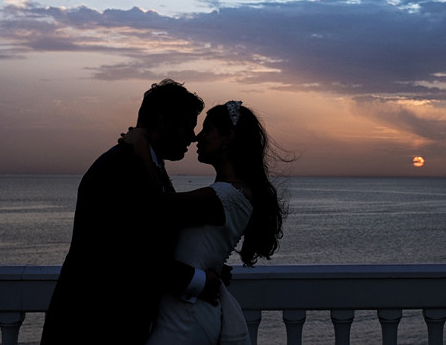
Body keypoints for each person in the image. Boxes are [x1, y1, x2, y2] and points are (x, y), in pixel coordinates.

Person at [41, 79, 227, 345]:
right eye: (188, 125)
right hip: (92, 327)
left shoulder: (146, 167)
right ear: (163, 121)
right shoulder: (121, 168)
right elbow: (130, 255)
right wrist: (199, 281)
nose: (192, 136)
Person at [123, 100, 286, 345]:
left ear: (227, 137)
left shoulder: (225, 196)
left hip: (187, 318)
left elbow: (158, 205)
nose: (198, 137)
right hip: (187, 312)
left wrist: (143, 149)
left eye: (207, 129)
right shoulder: (228, 193)